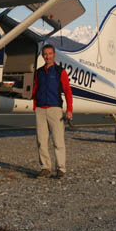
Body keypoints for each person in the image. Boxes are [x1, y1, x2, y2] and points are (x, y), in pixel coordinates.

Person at [32, 44, 73, 179]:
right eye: (45, 54)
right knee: (41, 140)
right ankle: (45, 167)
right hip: (40, 110)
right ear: (42, 56)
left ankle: (61, 168)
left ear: (54, 54)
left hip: (55, 109)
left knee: (58, 140)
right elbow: (35, 88)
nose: (47, 56)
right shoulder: (38, 72)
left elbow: (67, 90)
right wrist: (35, 105)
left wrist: (69, 109)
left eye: (50, 54)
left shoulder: (60, 71)